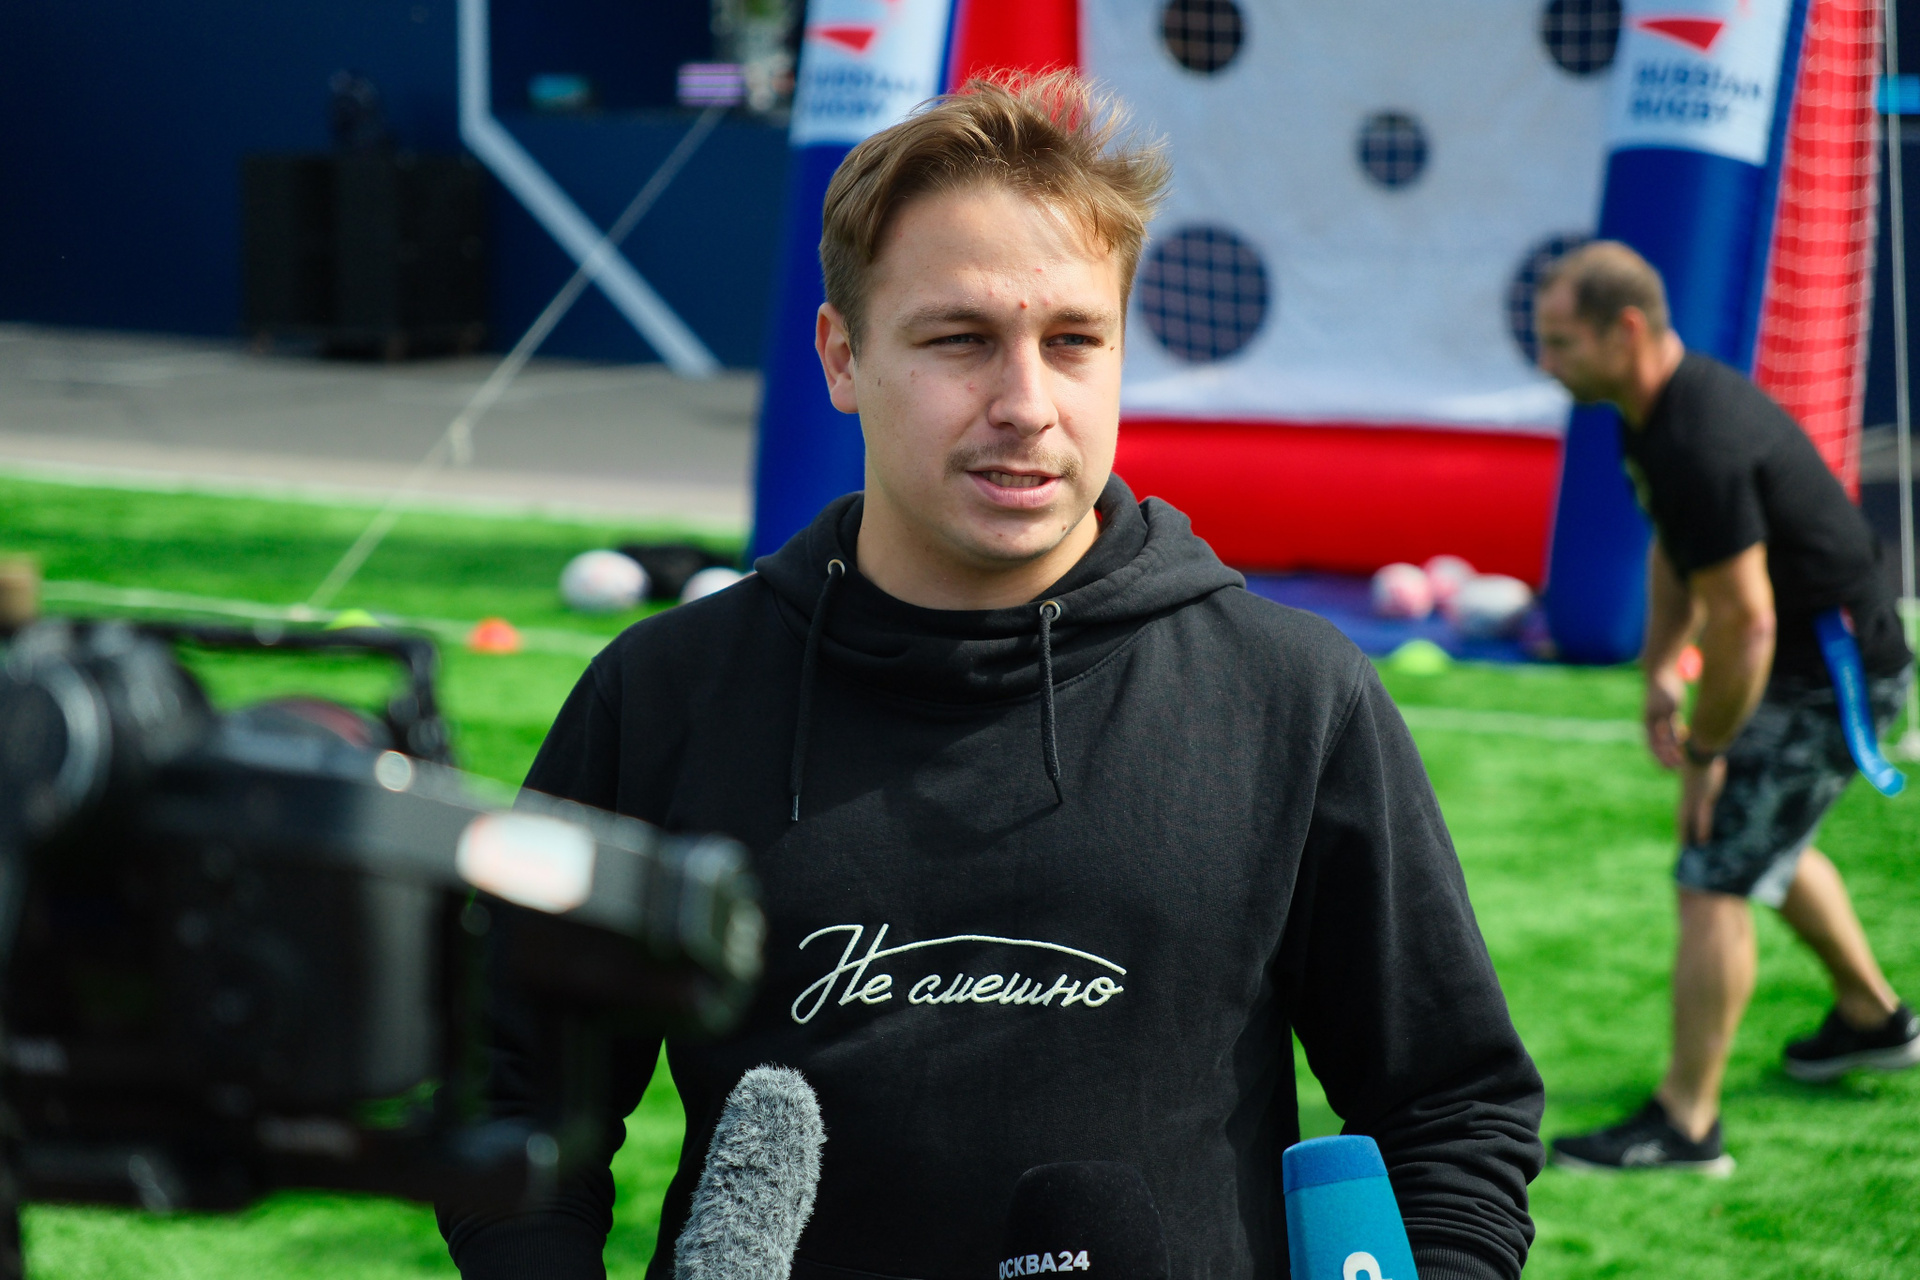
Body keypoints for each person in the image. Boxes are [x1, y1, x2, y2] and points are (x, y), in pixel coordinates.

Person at [439, 72, 1544, 1279]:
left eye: (1073, 341)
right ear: (842, 355)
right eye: (960, 339)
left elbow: (1451, 1106)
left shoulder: (1294, 695)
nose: (1026, 403)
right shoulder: (663, 695)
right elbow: (510, 1086)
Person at [1532, 241, 1919, 1174]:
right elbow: (1679, 548)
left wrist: (1706, 757)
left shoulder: (1697, 435)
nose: (1548, 364)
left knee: (1712, 873)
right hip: (1804, 658)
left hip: (1830, 674)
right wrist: (1663, 664)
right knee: (1766, 839)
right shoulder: (1650, 412)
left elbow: (1747, 623)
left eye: (1562, 342)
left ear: (1626, 331)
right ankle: (1874, 1019)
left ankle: (1688, 1124)